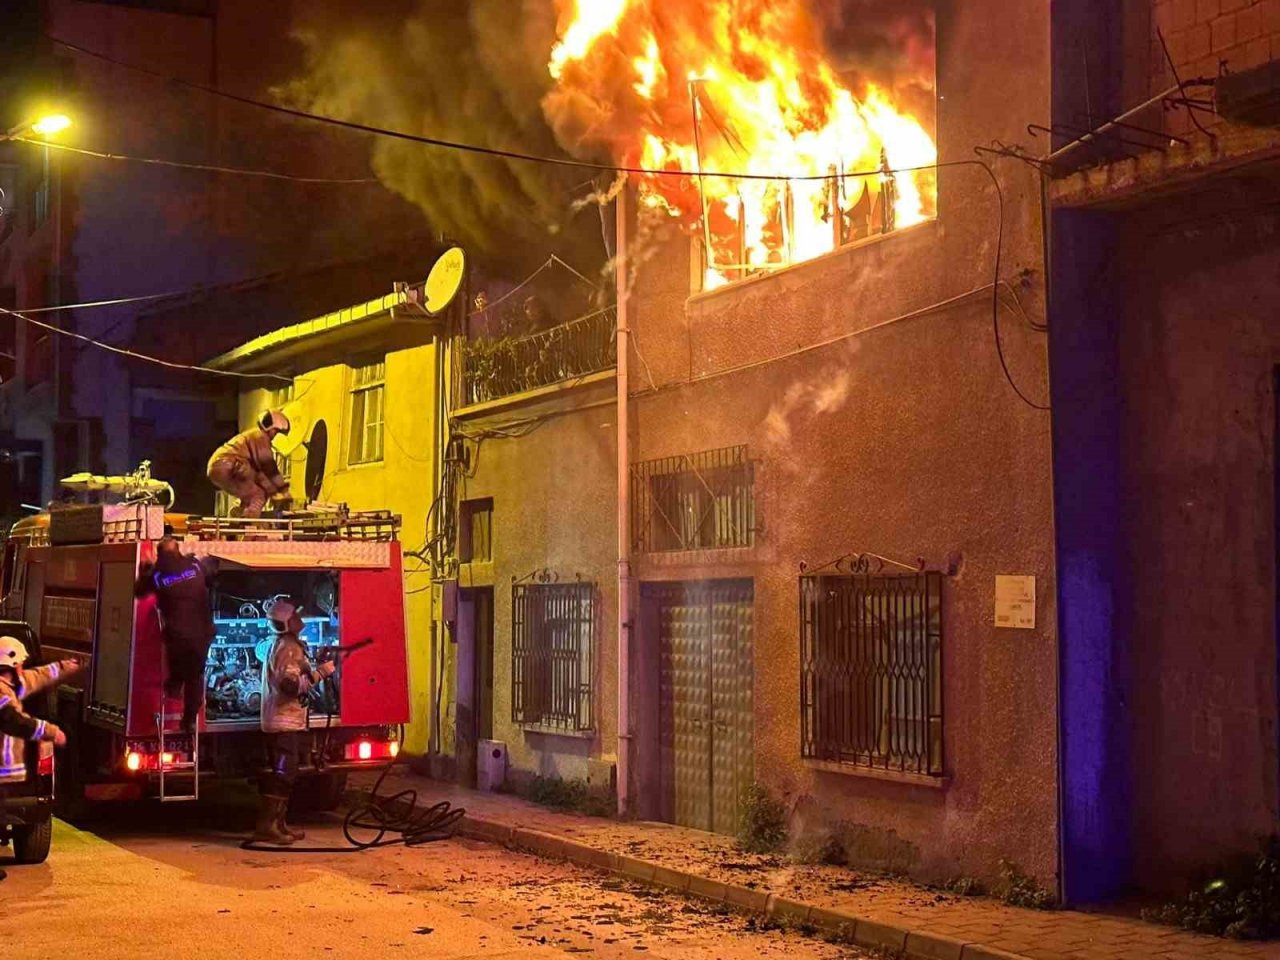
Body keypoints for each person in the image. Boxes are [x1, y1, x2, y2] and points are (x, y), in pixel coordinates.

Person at [252, 599, 334, 846]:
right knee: (283, 775)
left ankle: (279, 824)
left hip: (283, 721)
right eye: (296, 617)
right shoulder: (289, 648)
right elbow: (289, 686)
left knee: (286, 774)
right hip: (284, 722)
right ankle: (268, 826)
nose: (301, 620)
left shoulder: (283, 645)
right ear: (286, 623)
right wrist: (321, 673)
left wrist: (311, 666)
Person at [0, 635, 81, 882]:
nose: (23, 668)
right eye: (21, 664)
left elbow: (38, 676)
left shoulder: (12, 685)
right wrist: (50, 731)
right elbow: (14, 722)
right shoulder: (2, 693)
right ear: (13, 665)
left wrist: (66, 666)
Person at [135, 537, 217, 733]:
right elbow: (211, 571)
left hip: (177, 636)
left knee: (181, 669)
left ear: (160, 554)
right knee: (195, 676)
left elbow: (139, 592)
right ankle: (189, 719)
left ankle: (174, 685)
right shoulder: (195, 566)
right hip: (202, 634)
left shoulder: (157, 574)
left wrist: (144, 571)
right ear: (178, 550)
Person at [206, 409, 291, 518]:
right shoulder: (260, 436)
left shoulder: (251, 436)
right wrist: (282, 489)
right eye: (276, 432)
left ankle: (240, 514)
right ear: (271, 428)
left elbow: (259, 474)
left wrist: (274, 492)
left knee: (249, 494)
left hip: (217, 467)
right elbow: (268, 466)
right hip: (230, 465)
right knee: (259, 495)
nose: (274, 436)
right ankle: (250, 522)